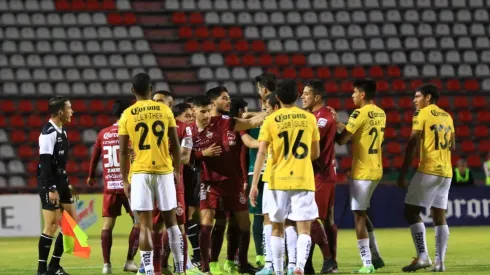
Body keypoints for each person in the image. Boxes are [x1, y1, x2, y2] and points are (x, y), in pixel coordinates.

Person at [250, 78, 321, 275]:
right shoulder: (309, 118)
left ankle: (279, 271)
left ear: (278, 97)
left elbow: (262, 153)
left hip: (276, 180)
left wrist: (254, 184)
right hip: (303, 178)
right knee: (304, 229)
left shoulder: (271, 119)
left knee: (276, 228)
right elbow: (315, 153)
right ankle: (298, 266)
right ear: (298, 96)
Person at [191, 95, 265, 274]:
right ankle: (207, 265)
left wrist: (272, 112)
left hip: (233, 182)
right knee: (209, 223)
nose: (207, 114)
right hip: (209, 183)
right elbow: (184, 157)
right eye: (204, 111)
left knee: (242, 223)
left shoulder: (225, 122)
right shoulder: (188, 131)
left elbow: (250, 123)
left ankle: (241, 262)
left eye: (208, 111)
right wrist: (203, 154)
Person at [119, 73, 184, 275]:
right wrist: (178, 171)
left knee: (145, 225)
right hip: (164, 171)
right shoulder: (164, 110)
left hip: (139, 172)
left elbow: (122, 151)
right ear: (151, 88)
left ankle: (147, 269)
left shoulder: (127, 114)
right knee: (172, 223)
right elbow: (174, 144)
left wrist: (124, 179)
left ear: (132, 90)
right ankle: (180, 268)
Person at [397, 84, 455, 272]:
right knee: (439, 215)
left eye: (417, 96)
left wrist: (403, 171)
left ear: (428, 98)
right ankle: (440, 262)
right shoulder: (447, 116)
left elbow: (413, 141)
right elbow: (452, 146)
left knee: (410, 211)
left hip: (429, 169)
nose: (414, 100)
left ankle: (423, 257)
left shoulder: (421, 114)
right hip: (446, 171)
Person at [334, 79, 386, 274]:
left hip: (362, 171)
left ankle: (367, 263)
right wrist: (342, 124)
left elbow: (343, 139)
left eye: (354, 92)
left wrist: (335, 126)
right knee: (362, 213)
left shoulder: (358, 113)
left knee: (358, 217)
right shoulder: (381, 113)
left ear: (363, 94)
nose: (352, 95)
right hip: (377, 169)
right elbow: (361, 135)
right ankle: (376, 256)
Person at [86, 100, 140, 274]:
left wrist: (91, 176)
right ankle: (129, 261)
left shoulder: (103, 133)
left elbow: (94, 157)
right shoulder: (132, 132)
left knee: (107, 225)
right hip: (130, 185)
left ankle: (106, 265)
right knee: (139, 223)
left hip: (110, 186)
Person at [160, 103, 203, 275]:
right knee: (178, 225)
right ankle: (184, 265)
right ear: (176, 117)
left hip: (164, 179)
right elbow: (184, 159)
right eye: (187, 115)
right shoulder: (184, 129)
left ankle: (158, 265)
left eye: (192, 115)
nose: (191, 119)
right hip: (175, 182)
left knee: (162, 225)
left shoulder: (162, 128)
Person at [37, 96, 77, 275]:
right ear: (60, 112)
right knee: (51, 225)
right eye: (69, 108)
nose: (72, 111)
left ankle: (54, 266)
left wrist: (66, 183)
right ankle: (41, 270)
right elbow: (45, 163)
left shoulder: (63, 131)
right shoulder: (48, 132)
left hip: (60, 180)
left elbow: (59, 164)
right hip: (49, 181)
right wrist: (51, 187)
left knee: (71, 222)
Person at [301, 80, 337, 274]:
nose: (302, 97)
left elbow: (312, 145)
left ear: (317, 97)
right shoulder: (317, 116)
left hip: (320, 175)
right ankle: (317, 263)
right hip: (324, 174)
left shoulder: (321, 118)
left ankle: (328, 260)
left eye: (306, 93)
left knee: (310, 217)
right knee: (326, 219)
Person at [254, 93, 281, 275]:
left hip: (272, 176)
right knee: (287, 223)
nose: (266, 111)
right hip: (295, 176)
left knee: (269, 220)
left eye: (268, 108)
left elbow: (261, 152)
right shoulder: (303, 119)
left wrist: (254, 184)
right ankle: (293, 264)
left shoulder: (270, 123)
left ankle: (271, 265)